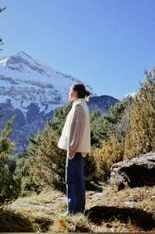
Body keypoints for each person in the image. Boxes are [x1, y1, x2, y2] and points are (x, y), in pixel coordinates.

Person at [58, 83, 91, 214]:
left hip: (75, 150)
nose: (68, 93)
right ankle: (78, 209)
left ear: (76, 92)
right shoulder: (81, 105)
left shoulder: (78, 107)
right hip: (77, 149)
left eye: (70, 90)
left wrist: (71, 151)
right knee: (77, 179)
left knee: (72, 179)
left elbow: (76, 132)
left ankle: (73, 210)